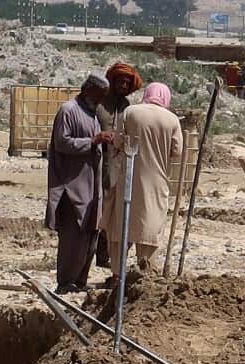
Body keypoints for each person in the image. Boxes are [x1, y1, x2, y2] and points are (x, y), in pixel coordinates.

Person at [101, 82, 182, 279]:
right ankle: (146, 273)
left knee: (122, 225)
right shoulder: (172, 120)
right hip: (157, 182)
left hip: (129, 178)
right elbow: (177, 152)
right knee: (149, 227)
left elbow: (119, 141)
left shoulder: (131, 112)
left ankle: (117, 275)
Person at [46, 72, 113, 294]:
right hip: (72, 186)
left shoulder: (91, 113)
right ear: (88, 90)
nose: (102, 99)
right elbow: (62, 142)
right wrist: (93, 141)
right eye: (100, 94)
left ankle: (80, 281)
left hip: (92, 187)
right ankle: (66, 282)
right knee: (73, 239)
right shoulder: (69, 111)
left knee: (90, 237)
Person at [95, 62, 143, 269]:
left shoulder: (127, 107)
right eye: (120, 80)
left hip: (118, 162)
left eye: (127, 81)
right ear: (112, 81)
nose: (123, 84)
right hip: (97, 160)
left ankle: (105, 256)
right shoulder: (99, 104)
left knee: (113, 209)